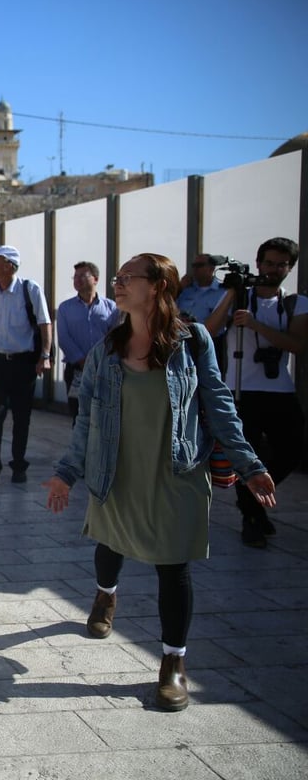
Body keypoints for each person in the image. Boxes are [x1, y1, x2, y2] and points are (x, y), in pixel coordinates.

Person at [44, 252, 275, 712]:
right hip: (117, 469)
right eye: (117, 277)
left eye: (128, 277)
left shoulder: (194, 341)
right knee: (109, 544)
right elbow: (87, 418)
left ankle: (173, 664)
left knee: (174, 566)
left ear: (158, 286)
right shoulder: (108, 349)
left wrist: (249, 465)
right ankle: (106, 594)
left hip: (178, 470)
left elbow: (220, 404)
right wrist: (66, 473)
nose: (118, 283)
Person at [203, 236, 305, 549]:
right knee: (245, 454)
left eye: (281, 265)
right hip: (240, 391)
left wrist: (257, 325)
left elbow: (298, 345)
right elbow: (207, 331)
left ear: (289, 268)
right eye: (269, 263)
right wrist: (233, 294)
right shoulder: (238, 298)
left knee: (291, 450)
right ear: (258, 264)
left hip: (278, 390)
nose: (273, 270)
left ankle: (252, 500)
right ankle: (252, 518)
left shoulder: (295, 303)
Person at [0, 245, 52, 489]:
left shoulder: (29, 289)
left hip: (23, 364)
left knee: (22, 418)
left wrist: (45, 355)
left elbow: (44, 323)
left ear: (8, 265)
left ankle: (18, 465)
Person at [56, 262, 117, 421]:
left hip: (103, 368)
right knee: (78, 414)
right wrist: (83, 360)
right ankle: (79, 446)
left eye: (82, 276)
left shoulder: (111, 307)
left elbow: (115, 336)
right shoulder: (65, 308)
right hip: (76, 368)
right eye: (75, 276)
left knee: (103, 414)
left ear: (95, 279)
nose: (77, 280)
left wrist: (99, 360)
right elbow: (64, 338)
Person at [178, 253, 228, 368]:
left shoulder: (222, 292)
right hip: (185, 341)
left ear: (212, 268)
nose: (195, 269)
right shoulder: (186, 290)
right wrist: (179, 287)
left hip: (211, 342)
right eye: (193, 265)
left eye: (200, 265)